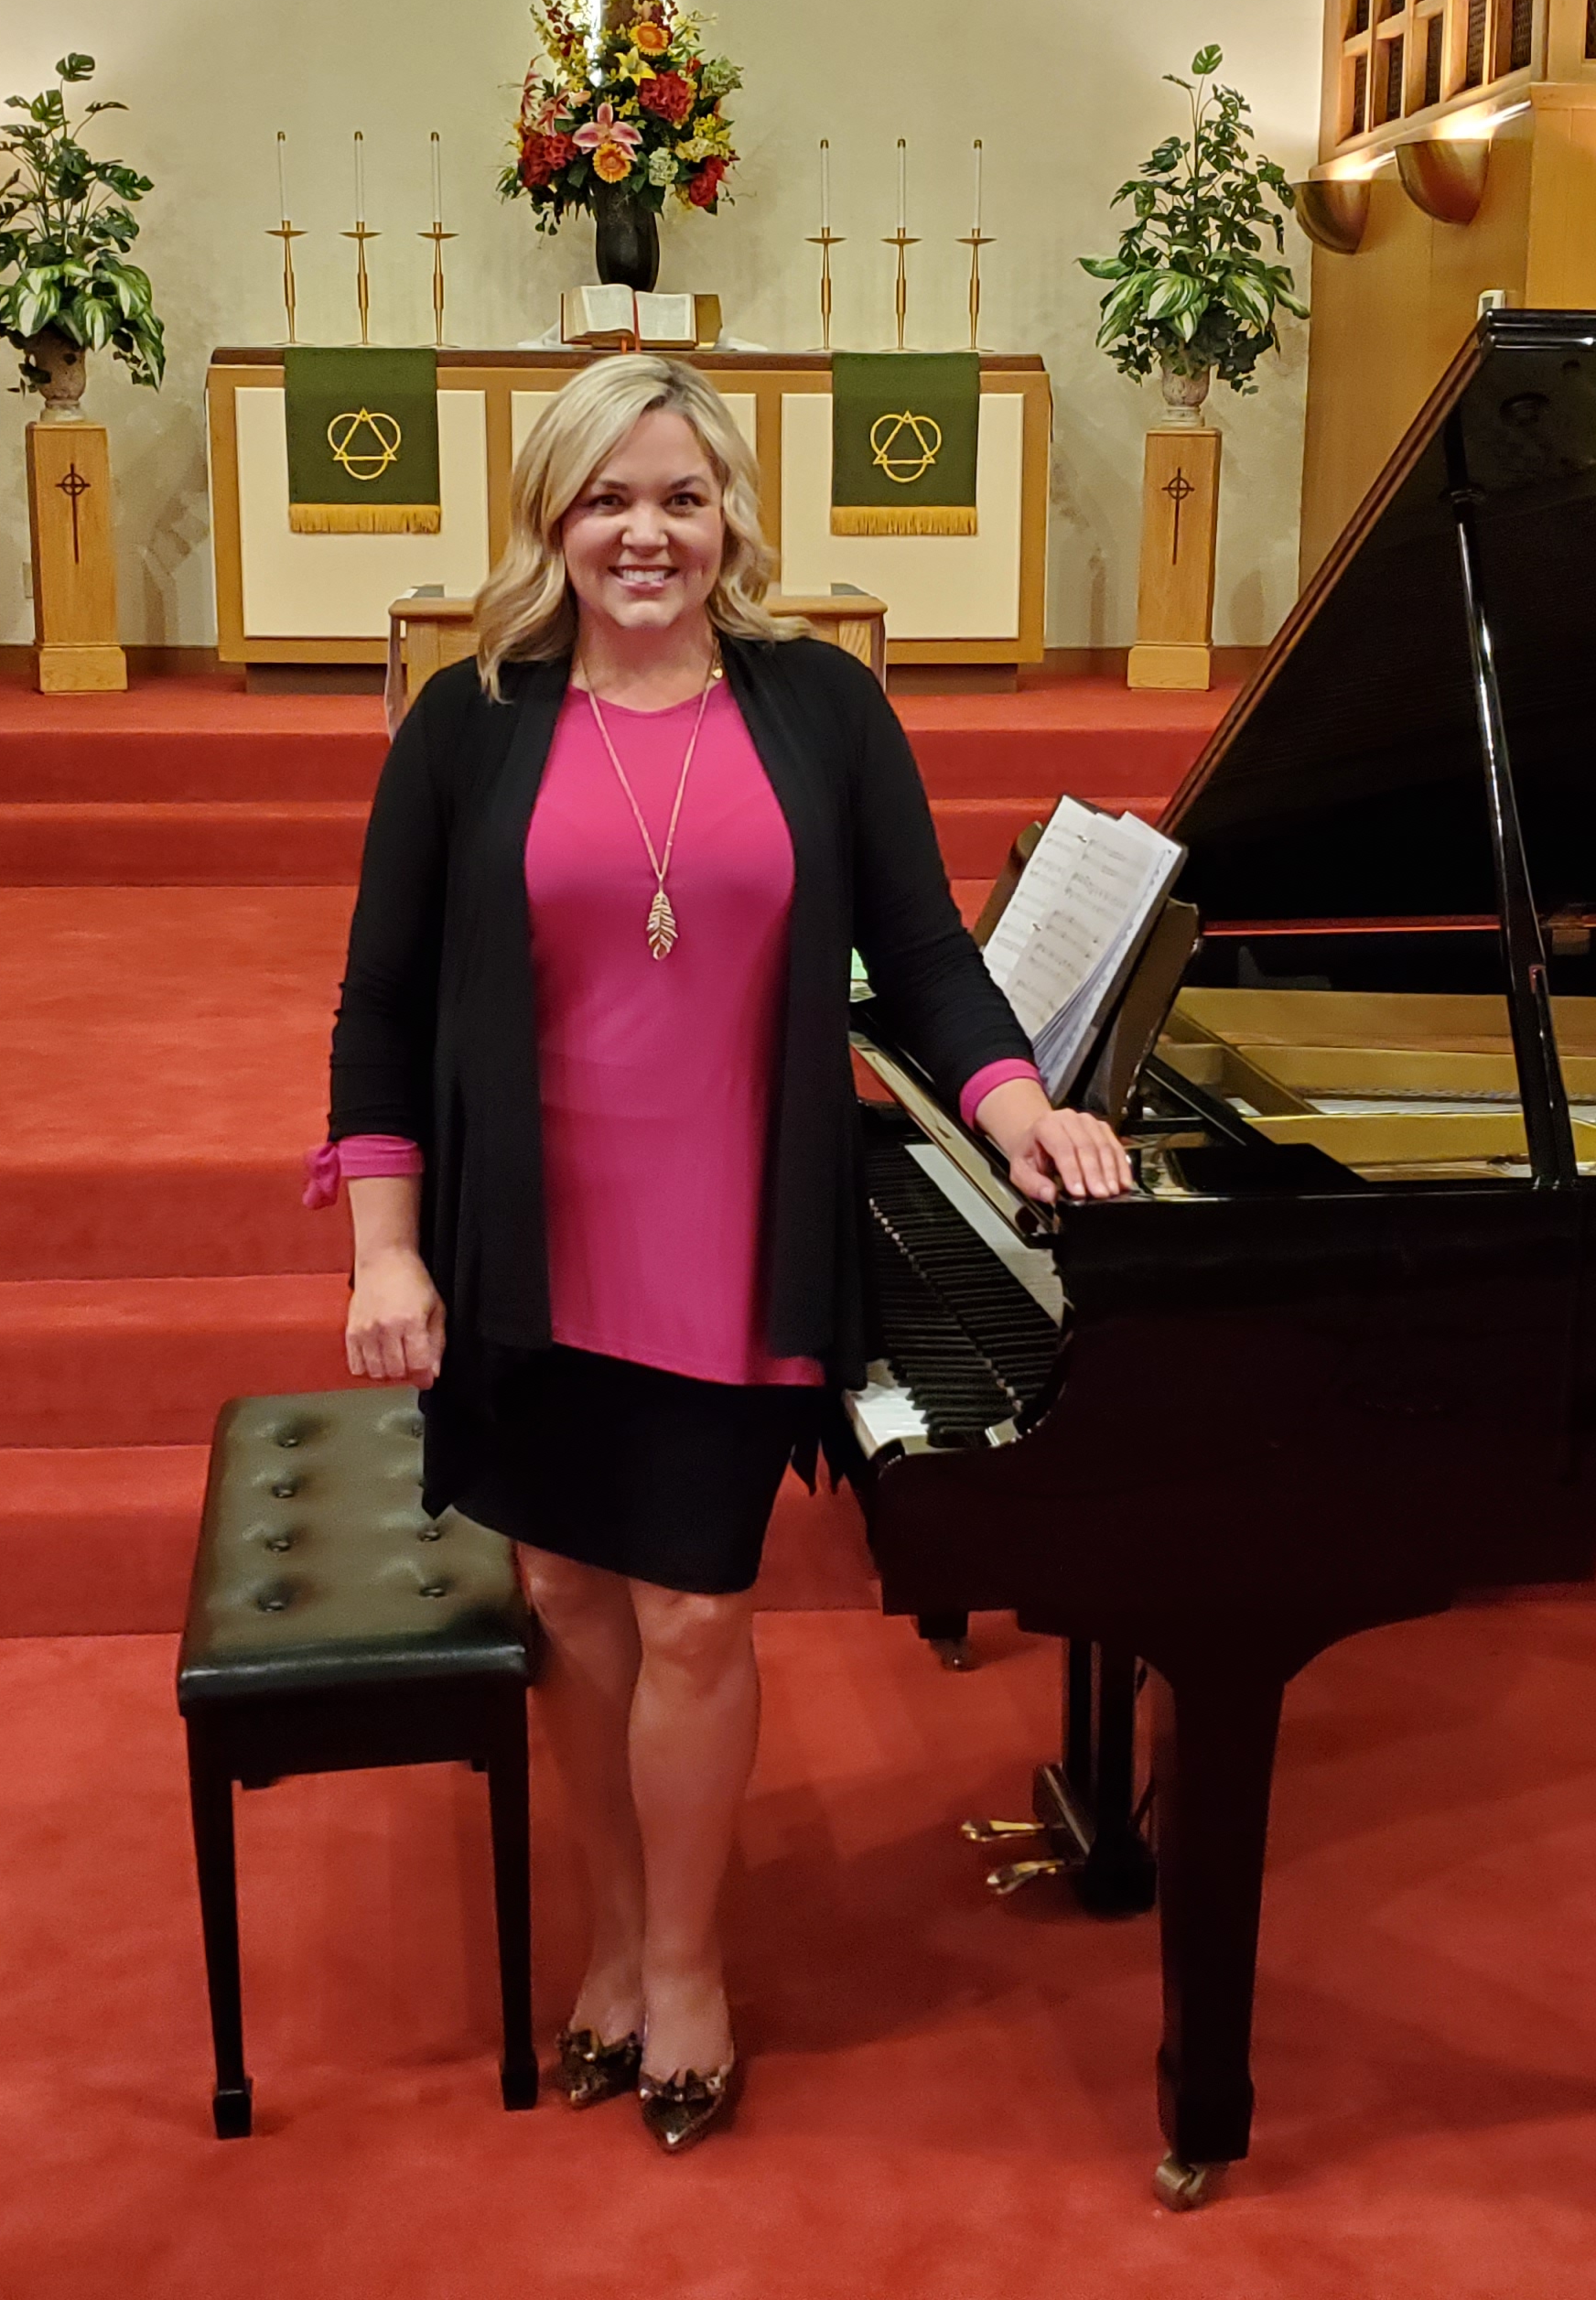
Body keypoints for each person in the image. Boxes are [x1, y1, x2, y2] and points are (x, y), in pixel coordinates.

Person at [314, 351, 1128, 2152]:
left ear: (733, 516)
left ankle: (683, 1961)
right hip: (524, 1241)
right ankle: (606, 1932)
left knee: (692, 1610)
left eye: (681, 497)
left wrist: (1015, 1109)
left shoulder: (822, 712)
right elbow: (378, 1001)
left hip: (736, 1237)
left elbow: (923, 957)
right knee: (566, 1606)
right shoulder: (473, 720)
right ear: (551, 516)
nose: (645, 532)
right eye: (608, 496)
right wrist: (386, 1252)